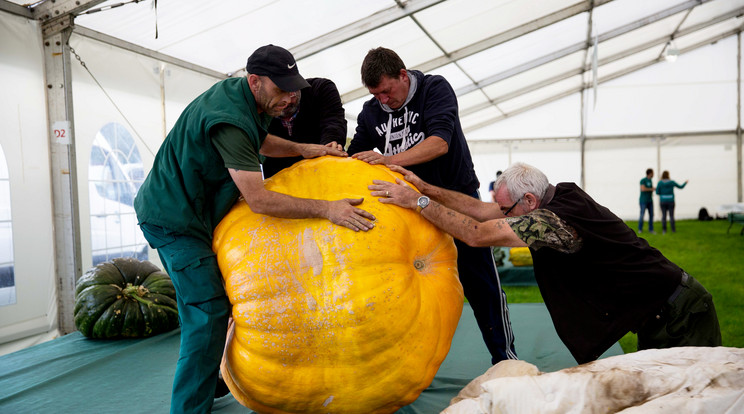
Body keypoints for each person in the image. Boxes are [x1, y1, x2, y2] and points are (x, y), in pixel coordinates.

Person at [133, 44, 376, 414]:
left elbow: (259, 142)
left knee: (202, 308)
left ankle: (204, 382)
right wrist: (327, 209)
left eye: (292, 87)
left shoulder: (248, 101)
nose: (290, 97)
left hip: (191, 214)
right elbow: (259, 200)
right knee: (210, 311)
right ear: (255, 81)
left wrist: (303, 149)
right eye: (282, 89)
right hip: (173, 221)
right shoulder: (229, 117)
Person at [369, 162, 722, 364]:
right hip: (656, 311)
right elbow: (479, 210)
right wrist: (425, 188)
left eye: (507, 210)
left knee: (697, 397)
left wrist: (417, 203)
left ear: (529, 199)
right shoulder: (556, 193)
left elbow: (476, 233)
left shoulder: (556, 221)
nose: (503, 216)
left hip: (681, 313)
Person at [347, 47, 517, 364]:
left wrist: (387, 160)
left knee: (480, 281)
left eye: (387, 91)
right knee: (398, 288)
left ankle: (505, 358)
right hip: (406, 209)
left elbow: (440, 142)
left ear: (402, 75)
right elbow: (353, 156)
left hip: (455, 198)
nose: (383, 100)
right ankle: (409, 366)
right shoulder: (371, 113)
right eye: (376, 95)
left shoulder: (434, 88)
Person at [262, 77, 347, 178]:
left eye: (293, 93)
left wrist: (330, 146)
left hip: (326, 173)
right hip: (281, 182)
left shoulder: (320, 88)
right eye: (281, 94)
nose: (289, 100)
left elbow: (333, 122)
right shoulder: (255, 110)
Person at [639, 168, 655, 234]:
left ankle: (651, 229)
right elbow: (643, 189)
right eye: (653, 173)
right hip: (643, 201)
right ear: (650, 173)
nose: (653, 174)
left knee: (651, 215)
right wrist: (651, 189)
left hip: (650, 200)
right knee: (642, 215)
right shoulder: (643, 180)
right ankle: (640, 229)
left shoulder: (651, 180)